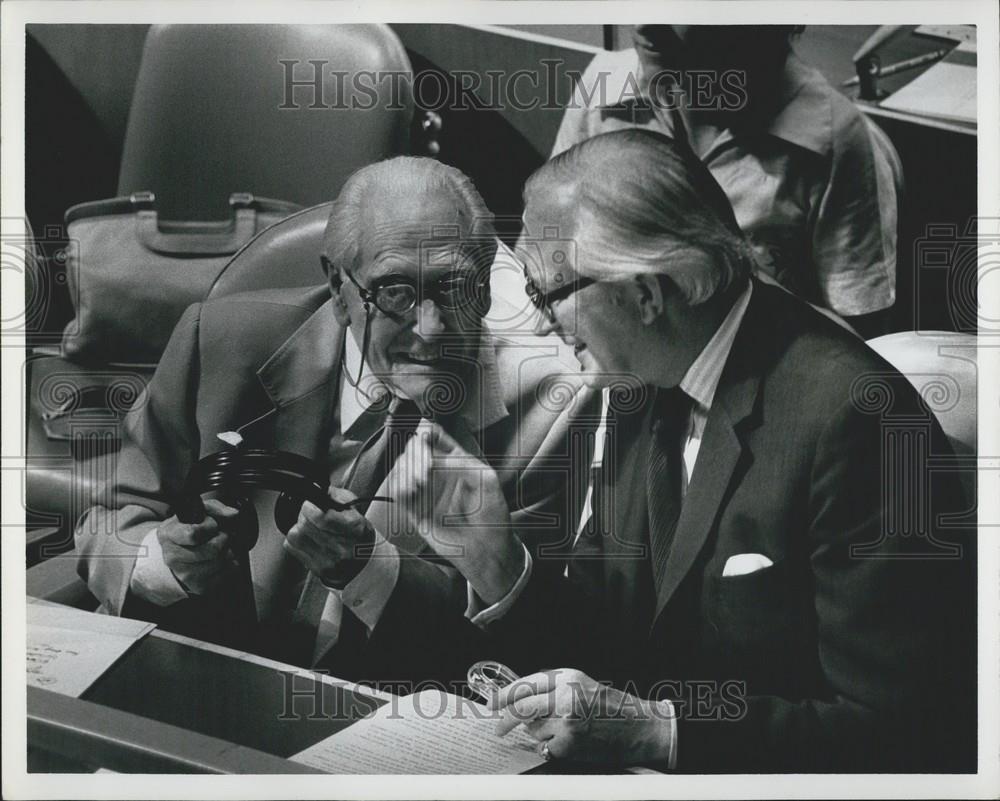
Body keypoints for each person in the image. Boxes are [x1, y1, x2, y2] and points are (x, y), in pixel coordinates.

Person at [391, 130, 975, 772]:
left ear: (644, 294)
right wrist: (499, 564)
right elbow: (607, 637)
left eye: (546, 293)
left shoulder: (861, 422)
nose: (537, 322)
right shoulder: (637, 377)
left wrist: (660, 732)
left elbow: (901, 730)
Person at [74, 156, 588, 681]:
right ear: (340, 290)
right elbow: (109, 520)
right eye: (395, 292)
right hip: (192, 678)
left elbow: (513, 641)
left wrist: (376, 572)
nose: (430, 330)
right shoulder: (219, 340)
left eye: (455, 289)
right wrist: (160, 564)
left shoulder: (546, 410)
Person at [551, 25, 899, 338]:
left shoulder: (835, 143)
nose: (644, 22)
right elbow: (547, 251)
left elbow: (862, 345)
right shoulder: (606, 84)